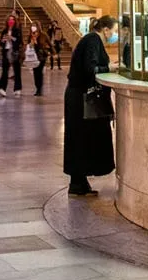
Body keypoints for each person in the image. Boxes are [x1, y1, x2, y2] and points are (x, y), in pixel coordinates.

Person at [64, 15, 118, 196]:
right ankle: (77, 183)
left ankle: (79, 182)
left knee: (81, 139)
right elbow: (91, 68)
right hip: (81, 99)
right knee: (81, 138)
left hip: (79, 97)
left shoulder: (91, 40)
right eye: (114, 31)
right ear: (106, 30)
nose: (114, 35)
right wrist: (109, 68)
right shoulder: (93, 40)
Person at [0, 15, 23, 97]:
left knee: (17, 71)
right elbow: (1, 42)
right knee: (5, 71)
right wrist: (3, 40)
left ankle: (17, 89)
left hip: (14, 52)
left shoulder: (17, 31)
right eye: (9, 19)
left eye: (12, 19)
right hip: (6, 52)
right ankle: (1, 88)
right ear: (7, 21)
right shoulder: (4, 31)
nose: (11, 21)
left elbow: (19, 41)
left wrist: (12, 38)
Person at [25, 24, 52, 97]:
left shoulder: (44, 35)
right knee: (35, 72)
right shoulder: (31, 36)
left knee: (39, 72)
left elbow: (50, 44)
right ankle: (37, 87)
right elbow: (29, 46)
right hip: (34, 57)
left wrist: (52, 52)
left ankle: (39, 89)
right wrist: (32, 42)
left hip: (42, 56)